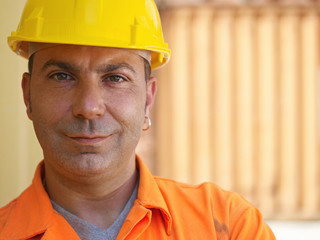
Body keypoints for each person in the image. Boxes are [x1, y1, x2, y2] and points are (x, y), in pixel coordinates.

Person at [0, 0, 276, 239]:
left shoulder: (228, 226)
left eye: (115, 78)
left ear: (147, 99)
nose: (88, 107)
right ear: (28, 95)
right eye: (62, 76)